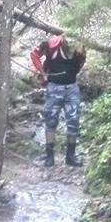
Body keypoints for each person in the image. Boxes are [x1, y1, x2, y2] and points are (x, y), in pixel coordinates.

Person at [30, 34, 86, 168]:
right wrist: (43, 72)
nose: (71, 52)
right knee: (51, 120)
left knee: (73, 121)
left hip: (72, 89)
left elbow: (81, 63)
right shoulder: (51, 44)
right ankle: (49, 157)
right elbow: (34, 54)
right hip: (54, 88)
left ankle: (70, 157)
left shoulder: (79, 49)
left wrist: (72, 73)